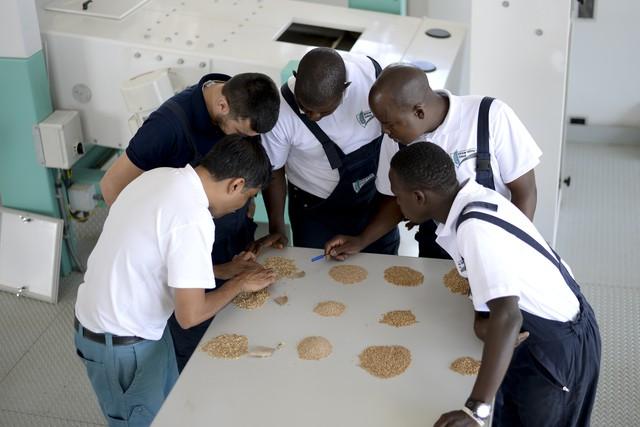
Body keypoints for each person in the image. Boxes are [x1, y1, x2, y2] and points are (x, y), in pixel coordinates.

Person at [389, 142, 601, 427]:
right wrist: (481, 319)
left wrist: (475, 410)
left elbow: (508, 316)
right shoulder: (471, 198)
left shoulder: (474, 228)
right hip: (551, 329)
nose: (396, 203)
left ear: (418, 197)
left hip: (558, 348)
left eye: (397, 196)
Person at [74, 135, 277, 426]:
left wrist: (223, 270)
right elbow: (190, 316)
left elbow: (158, 254)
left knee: (170, 412)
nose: (241, 207)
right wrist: (240, 284)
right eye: (248, 197)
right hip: (120, 343)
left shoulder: (161, 177)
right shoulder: (193, 218)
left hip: (135, 329)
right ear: (236, 185)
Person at [101, 72, 280, 371]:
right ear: (223, 106)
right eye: (242, 133)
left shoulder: (242, 103)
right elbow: (112, 187)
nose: (248, 141)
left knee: (239, 332)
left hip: (225, 244)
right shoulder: (167, 127)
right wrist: (150, 245)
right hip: (187, 249)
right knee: (199, 349)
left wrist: (245, 208)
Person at [325, 63, 541, 260]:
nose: (383, 130)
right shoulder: (396, 140)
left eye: (389, 123)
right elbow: (393, 201)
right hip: (436, 247)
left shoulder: (489, 117)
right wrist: (361, 240)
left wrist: (512, 252)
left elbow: (525, 192)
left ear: (419, 112)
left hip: (493, 246)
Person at [254, 47, 399, 256]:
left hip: (373, 203)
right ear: (296, 77)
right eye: (305, 107)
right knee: (316, 274)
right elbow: (274, 170)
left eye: (323, 111)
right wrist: (277, 227)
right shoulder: (282, 110)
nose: (312, 116)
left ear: (344, 89)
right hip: (314, 209)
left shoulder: (372, 79)